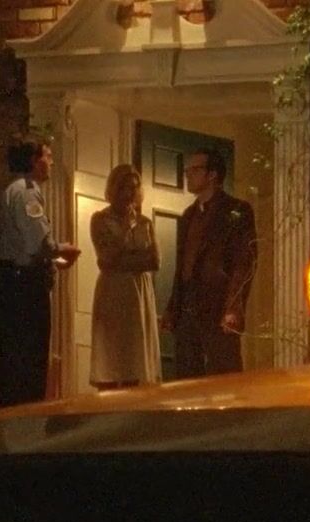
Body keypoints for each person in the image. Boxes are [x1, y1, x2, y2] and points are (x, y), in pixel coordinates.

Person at [0, 138, 79, 407]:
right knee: (28, 364)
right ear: (33, 160)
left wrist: (52, 261)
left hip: (13, 283)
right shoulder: (27, 193)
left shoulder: (11, 191)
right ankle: (24, 421)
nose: (51, 162)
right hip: (25, 289)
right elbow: (37, 243)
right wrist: (62, 249)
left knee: (12, 363)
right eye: (47, 156)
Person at [161, 147, 257, 378]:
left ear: (212, 174)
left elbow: (244, 261)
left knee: (224, 372)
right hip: (188, 307)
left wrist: (233, 306)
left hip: (218, 304)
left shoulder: (236, 211)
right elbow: (182, 266)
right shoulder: (188, 215)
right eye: (187, 171)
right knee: (186, 375)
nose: (188, 175)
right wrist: (173, 307)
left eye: (194, 170)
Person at [89, 164, 161, 389]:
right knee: (112, 355)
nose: (130, 193)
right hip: (113, 291)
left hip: (139, 292)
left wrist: (125, 261)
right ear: (115, 188)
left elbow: (154, 261)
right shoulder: (100, 219)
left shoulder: (145, 222)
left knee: (136, 356)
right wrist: (126, 229)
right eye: (125, 187)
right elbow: (106, 259)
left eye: (135, 188)